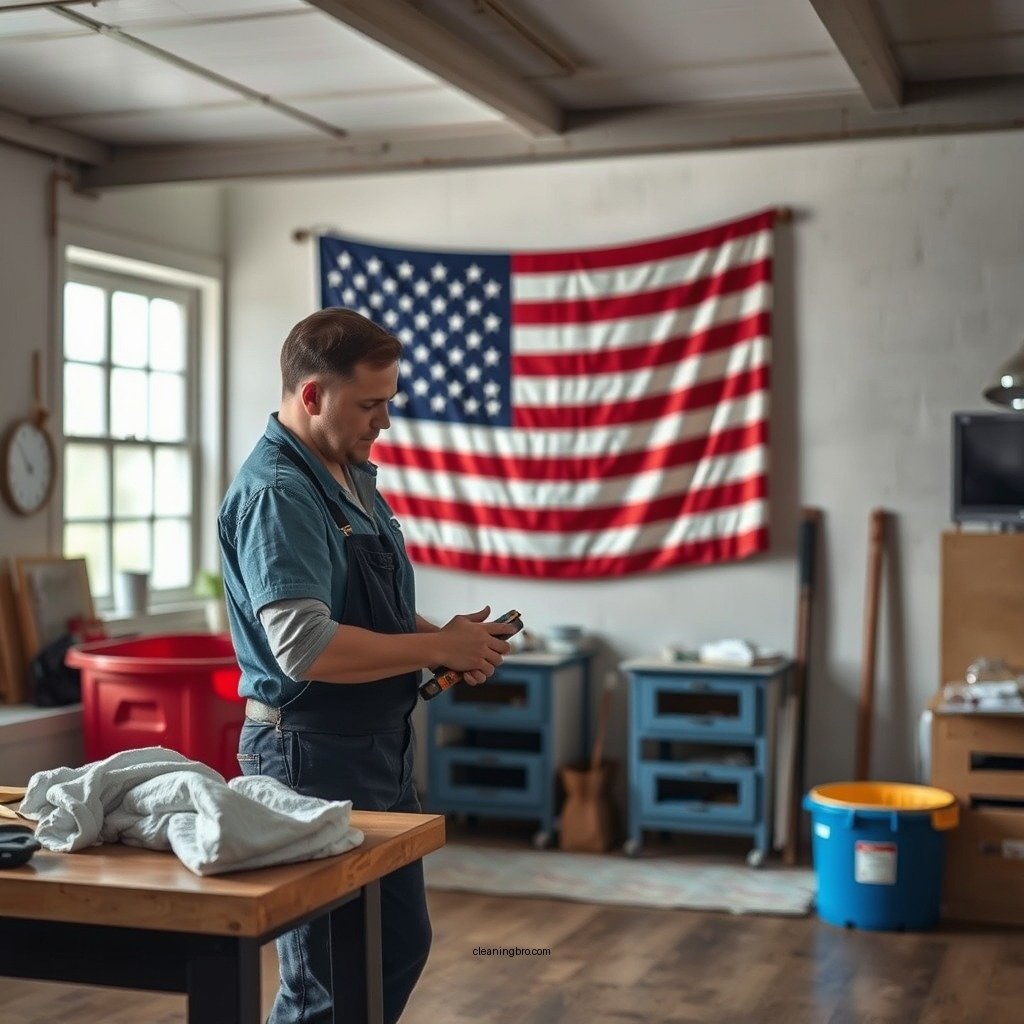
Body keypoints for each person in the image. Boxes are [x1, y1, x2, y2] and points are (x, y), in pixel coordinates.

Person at [218, 307, 516, 1024]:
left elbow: (362, 610)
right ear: (313, 395)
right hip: (308, 755)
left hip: (373, 747)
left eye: (388, 403)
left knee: (393, 946)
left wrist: (446, 639)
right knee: (325, 982)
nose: (383, 422)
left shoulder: (345, 472)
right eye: (370, 404)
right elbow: (306, 646)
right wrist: (433, 649)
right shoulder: (279, 493)